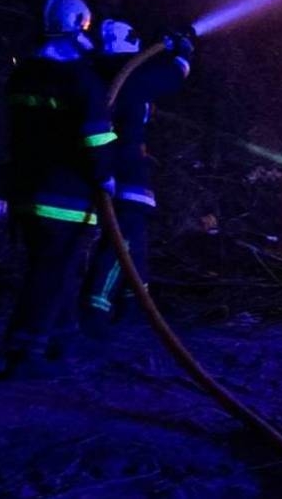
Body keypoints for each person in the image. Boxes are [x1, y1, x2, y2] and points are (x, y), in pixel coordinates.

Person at [3, 0, 117, 377]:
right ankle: (25, 350)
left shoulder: (23, 75)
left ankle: (60, 341)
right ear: (77, 24)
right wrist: (107, 178)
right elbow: (96, 138)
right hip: (67, 194)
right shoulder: (82, 79)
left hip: (25, 188)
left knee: (55, 268)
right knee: (52, 270)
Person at [82, 18, 193, 335]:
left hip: (118, 169)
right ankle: (96, 310)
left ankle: (133, 307)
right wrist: (183, 49)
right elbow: (174, 75)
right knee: (124, 244)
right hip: (124, 170)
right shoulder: (127, 77)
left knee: (136, 243)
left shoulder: (97, 74)